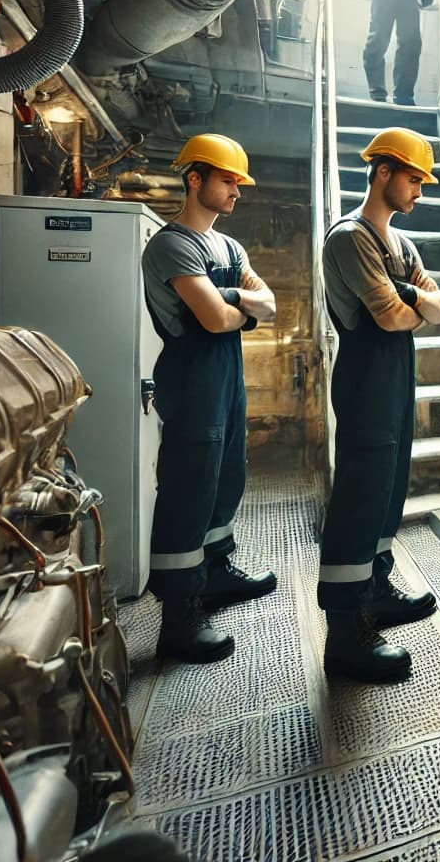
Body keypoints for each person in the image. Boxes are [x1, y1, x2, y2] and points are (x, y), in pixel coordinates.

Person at [141, 134, 278, 663]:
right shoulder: (173, 244)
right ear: (194, 179)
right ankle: (177, 619)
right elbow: (216, 319)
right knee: (187, 489)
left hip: (226, 376)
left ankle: (216, 573)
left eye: (239, 183)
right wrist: (236, 305)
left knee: (227, 475)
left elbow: (268, 305)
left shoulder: (230, 247)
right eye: (228, 180)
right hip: (191, 375)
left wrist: (231, 298)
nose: (237, 192)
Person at [318, 127, 440, 684]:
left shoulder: (404, 245)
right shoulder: (350, 238)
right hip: (366, 375)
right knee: (359, 494)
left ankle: (376, 585)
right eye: (413, 179)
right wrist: (412, 301)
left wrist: (409, 298)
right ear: (383, 173)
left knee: (390, 486)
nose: (419, 190)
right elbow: (391, 317)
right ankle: (345, 630)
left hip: (396, 376)